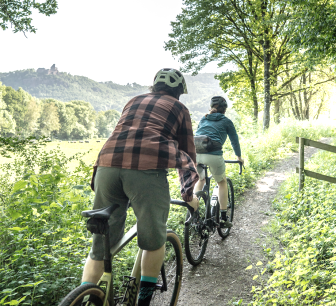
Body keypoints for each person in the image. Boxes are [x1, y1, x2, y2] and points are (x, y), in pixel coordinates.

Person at [80, 68, 199, 306]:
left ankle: (84, 298)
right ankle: (144, 300)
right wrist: (188, 193)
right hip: (147, 169)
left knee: (101, 243)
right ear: (179, 91)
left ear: (153, 86)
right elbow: (187, 151)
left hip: (107, 164)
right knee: (154, 238)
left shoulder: (133, 100)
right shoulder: (179, 108)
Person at [194, 96, 244, 228]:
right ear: (224, 110)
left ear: (211, 107)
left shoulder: (203, 118)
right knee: (221, 182)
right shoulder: (226, 121)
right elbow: (234, 140)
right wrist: (239, 157)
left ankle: (193, 212)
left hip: (195, 154)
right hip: (213, 155)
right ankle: (223, 218)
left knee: (201, 180)